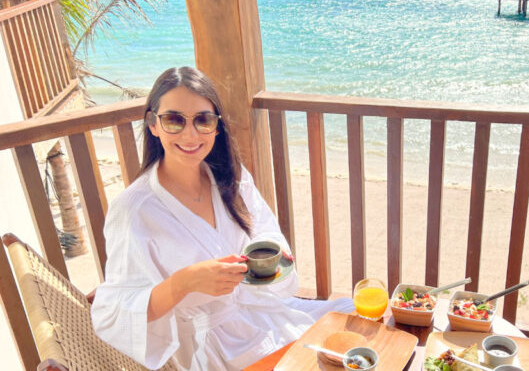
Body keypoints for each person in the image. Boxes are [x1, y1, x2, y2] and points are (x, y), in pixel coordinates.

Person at [91, 67, 353, 370]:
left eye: (203, 120)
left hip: (261, 313)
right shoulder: (134, 210)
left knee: (354, 320)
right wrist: (183, 283)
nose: (190, 135)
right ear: (153, 124)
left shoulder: (232, 178)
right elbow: (113, 312)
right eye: (174, 120)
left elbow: (267, 237)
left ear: (217, 127)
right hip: (215, 348)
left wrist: (271, 264)